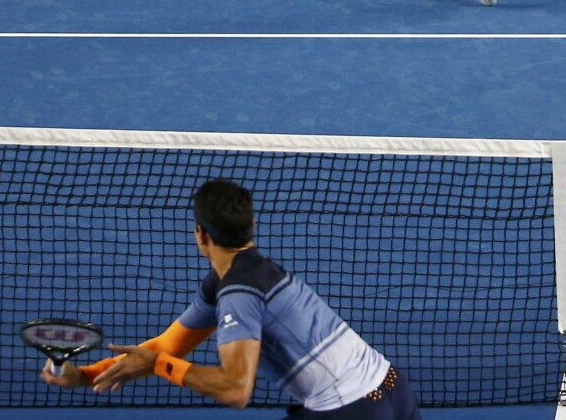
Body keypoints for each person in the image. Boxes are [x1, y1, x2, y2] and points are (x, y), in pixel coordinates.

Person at [41, 179, 421, 419]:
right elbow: (165, 345)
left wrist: (159, 366)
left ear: (200, 236)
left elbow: (236, 390)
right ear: (251, 227)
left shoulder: (239, 294)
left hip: (349, 411)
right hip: (393, 388)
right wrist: (87, 374)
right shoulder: (234, 280)